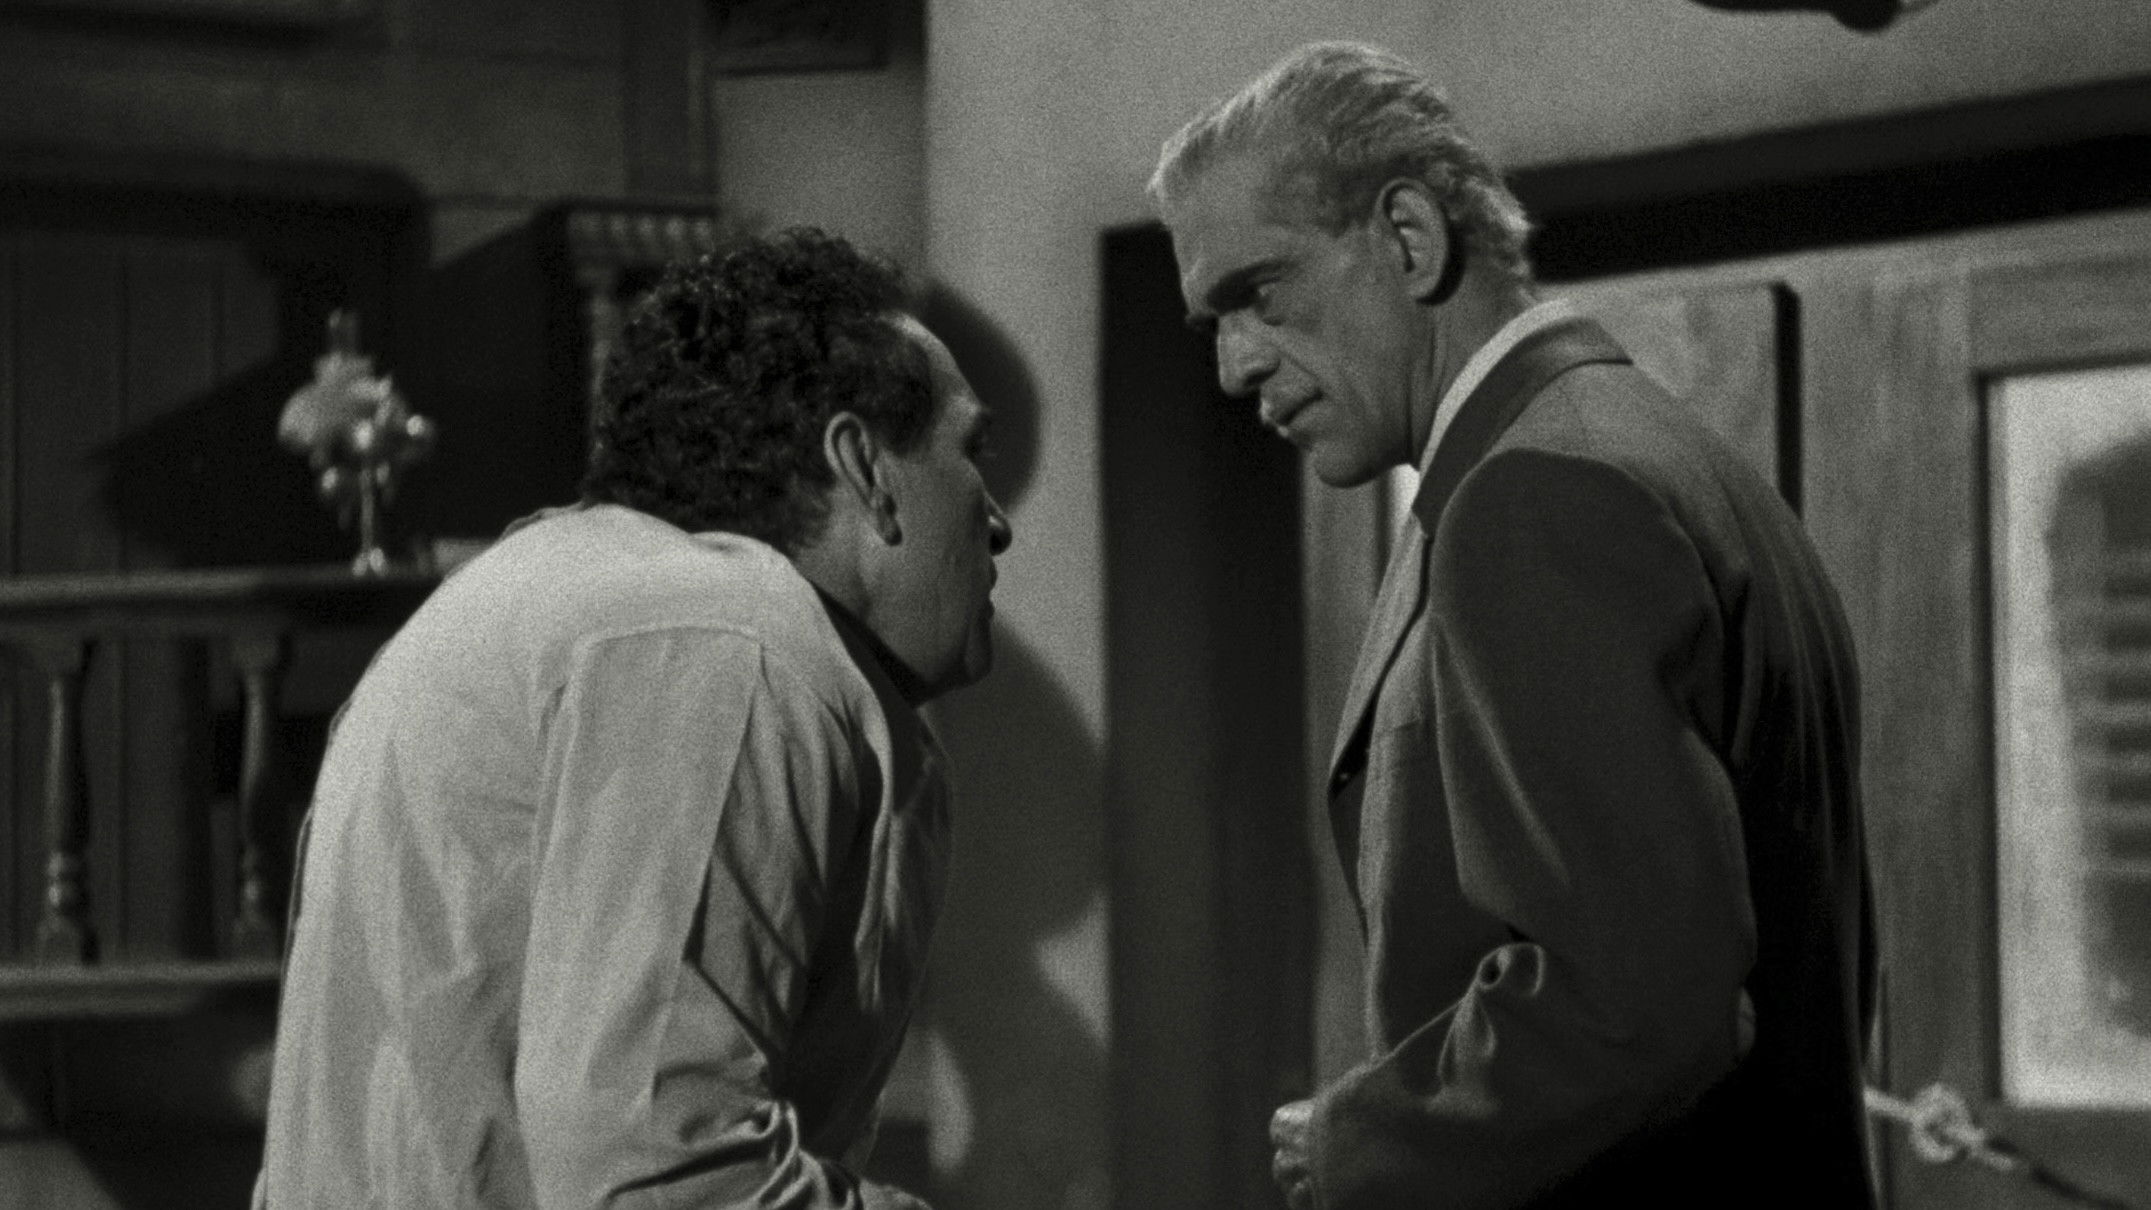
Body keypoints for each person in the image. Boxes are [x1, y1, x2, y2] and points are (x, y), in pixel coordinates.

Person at [1150, 42, 1874, 1209]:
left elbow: (1638, 1001)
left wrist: (1361, 1141)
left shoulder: (1537, 495)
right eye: (1213, 324)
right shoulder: (1660, 453)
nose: (1234, 366)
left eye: (1260, 294)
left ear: (1407, 238)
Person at [257, 228, 1011, 1208]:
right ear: (863, 466)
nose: (998, 520)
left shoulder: (572, 594)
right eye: (971, 452)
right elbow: (658, 1173)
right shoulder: (724, 640)